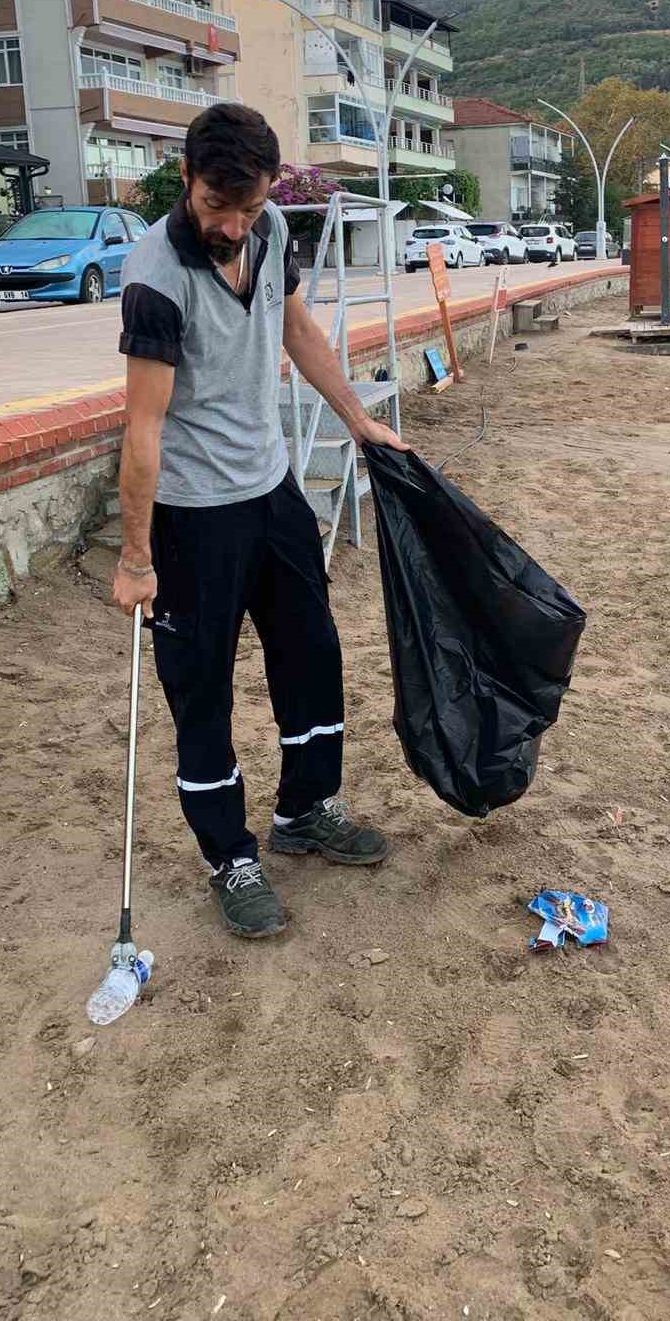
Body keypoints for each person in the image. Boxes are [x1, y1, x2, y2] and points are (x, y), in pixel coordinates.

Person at [112, 102, 407, 939]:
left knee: (311, 652)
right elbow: (143, 427)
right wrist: (136, 555)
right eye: (216, 208)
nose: (232, 227)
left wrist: (358, 418)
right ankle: (228, 856)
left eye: (246, 207)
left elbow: (297, 327)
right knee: (200, 690)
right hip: (191, 514)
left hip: (272, 490)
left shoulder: (273, 229)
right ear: (187, 182)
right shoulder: (155, 279)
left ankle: (305, 810)